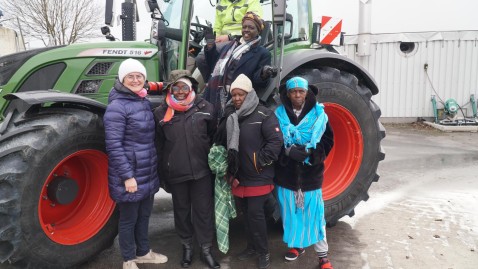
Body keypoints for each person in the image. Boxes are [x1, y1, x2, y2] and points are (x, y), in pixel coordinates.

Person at [213, 74, 283, 269]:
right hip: (238, 176)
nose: (236, 98)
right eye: (234, 95)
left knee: (256, 215)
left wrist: (259, 162)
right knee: (246, 214)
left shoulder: (264, 114)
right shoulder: (231, 116)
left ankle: (263, 253)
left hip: (258, 175)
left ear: (249, 94)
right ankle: (252, 247)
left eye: (240, 94)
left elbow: (276, 142)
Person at [104, 58, 168, 269]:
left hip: (147, 172)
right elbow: (114, 146)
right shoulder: (117, 106)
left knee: (144, 216)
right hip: (130, 174)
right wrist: (127, 177)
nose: (135, 80)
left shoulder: (142, 102)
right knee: (128, 219)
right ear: (122, 79)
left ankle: (143, 252)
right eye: (130, 76)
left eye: (139, 76)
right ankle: (128, 259)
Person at [153, 70, 220, 269]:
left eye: (184, 87)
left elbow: (213, 137)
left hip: (201, 172)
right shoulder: (160, 113)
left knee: (203, 212)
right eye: (176, 87)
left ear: (191, 87)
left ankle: (206, 249)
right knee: (181, 212)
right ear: (170, 89)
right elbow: (159, 145)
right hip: (176, 173)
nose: (180, 92)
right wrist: (162, 173)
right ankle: (187, 248)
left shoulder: (206, 108)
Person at [274, 77, 335, 269]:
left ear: (307, 92)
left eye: (301, 91)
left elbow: (327, 141)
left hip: (311, 177)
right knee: (290, 215)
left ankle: (323, 257)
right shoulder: (279, 115)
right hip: (287, 177)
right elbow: (273, 139)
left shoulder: (319, 115)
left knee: (316, 217)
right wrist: (287, 152)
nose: (297, 95)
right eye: (293, 91)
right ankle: (297, 246)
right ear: (288, 94)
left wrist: (311, 153)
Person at [202, 11, 277, 120]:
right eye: (244, 27)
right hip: (214, 93)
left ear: (258, 31)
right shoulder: (230, 46)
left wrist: (263, 73)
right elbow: (214, 66)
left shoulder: (262, 53)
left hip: (235, 98)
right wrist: (210, 46)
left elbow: (257, 81)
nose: (246, 30)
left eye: (251, 28)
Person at [195, 0, 263, 82]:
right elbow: (217, 26)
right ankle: (211, 85)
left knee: (202, 57)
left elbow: (252, 26)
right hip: (223, 41)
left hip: (242, 40)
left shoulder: (252, 1)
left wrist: (230, 37)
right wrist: (216, 39)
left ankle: (211, 84)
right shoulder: (221, 3)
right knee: (204, 55)